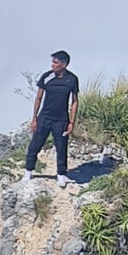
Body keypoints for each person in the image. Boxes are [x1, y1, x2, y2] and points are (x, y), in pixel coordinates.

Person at [24, 49, 79, 185]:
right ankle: (28, 171)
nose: (52, 65)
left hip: (61, 119)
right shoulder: (46, 77)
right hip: (45, 116)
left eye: (55, 63)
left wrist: (72, 122)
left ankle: (61, 174)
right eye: (52, 62)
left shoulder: (72, 79)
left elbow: (74, 101)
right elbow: (38, 97)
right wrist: (34, 118)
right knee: (35, 144)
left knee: (61, 147)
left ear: (64, 64)